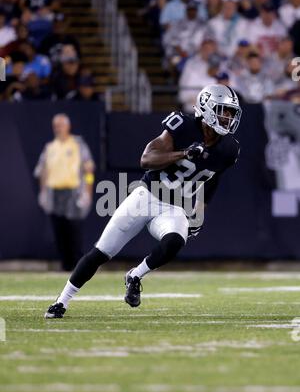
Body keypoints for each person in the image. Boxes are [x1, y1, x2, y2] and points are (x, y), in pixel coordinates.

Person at [44, 84, 242, 318]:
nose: (227, 117)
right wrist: (184, 153)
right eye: (223, 111)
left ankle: (135, 275)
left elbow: (213, 176)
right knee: (101, 252)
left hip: (174, 206)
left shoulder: (229, 148)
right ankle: (62, 301)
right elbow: (146, 159)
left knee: (175, 242)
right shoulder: (183, 126)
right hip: (146, 196)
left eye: (230, 113)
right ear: (207, 108)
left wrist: (201, 208)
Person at [34, 114, 95, 271]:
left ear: (68, 126)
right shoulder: (50, 148)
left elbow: (88, 170)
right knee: (59, 232)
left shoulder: (78, 145)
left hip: (73, 193)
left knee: (74, 231)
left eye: (61, 125)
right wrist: (43, 192)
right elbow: (42, 172)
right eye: (56, 125)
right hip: (54, 193)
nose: (58, 128)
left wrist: (87, 191)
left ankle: (78, 268)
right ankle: (65, 267)